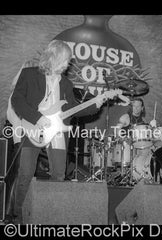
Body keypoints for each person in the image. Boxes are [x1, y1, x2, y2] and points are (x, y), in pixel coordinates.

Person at [10, 40, 116, 224]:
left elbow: (74, 109)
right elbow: (17, 100)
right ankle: (19, 218)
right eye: (65, 60)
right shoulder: (29, 74)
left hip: (58, 131)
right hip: (32, 128)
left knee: (59, 174)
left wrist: (95, 104)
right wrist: (37, 118)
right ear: (53, 57)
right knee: (25, 174)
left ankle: (50, 216)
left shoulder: (66, 84)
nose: (68, 65)